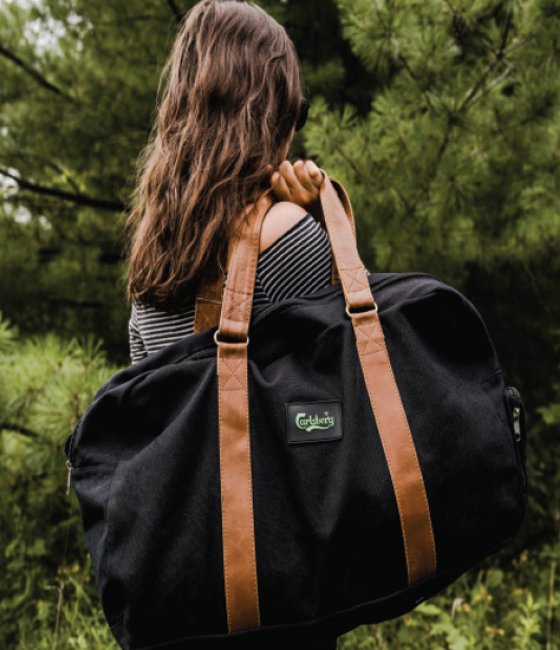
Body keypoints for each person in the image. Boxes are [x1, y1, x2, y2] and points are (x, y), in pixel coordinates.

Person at [122, 1, 338, 647]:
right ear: (265, 114)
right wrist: (314, 228)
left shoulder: (152, 262)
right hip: (277, 591)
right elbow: (326, 421)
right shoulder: (290, 236)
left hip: (179, 590)